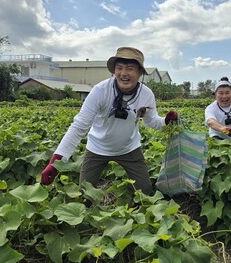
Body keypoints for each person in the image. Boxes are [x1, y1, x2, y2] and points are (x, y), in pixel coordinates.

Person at [40, 47, 178, 195]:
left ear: (140, 73)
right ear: (114, 71)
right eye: (119, 68)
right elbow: (79, 126)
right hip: (97, 148)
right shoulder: (100, 91)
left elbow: (151, 121)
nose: (124, 73)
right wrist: (56, 162)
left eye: (130, 69)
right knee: (85, 195)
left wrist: (165, 121)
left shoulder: (146, 94)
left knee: (146, 193)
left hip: (129, 149)